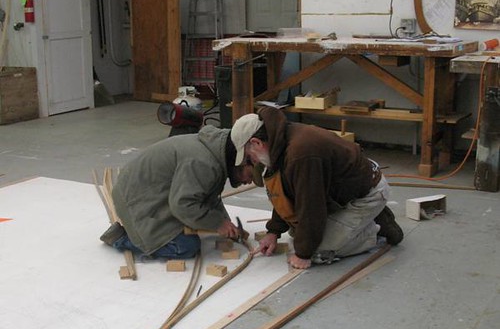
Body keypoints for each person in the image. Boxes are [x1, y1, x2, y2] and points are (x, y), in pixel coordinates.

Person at [231, 107, 403, 269]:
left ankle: (377, 230)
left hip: (367, 193)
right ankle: (361, 221)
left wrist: (303, 254)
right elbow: (287, 193)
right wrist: (273, 232)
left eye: (249, 155)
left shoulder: (301, 154)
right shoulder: (279, 141)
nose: (253, 161)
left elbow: (312, 207)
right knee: (297, 233)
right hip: (342, 191)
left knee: (319, 250)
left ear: (257, 143)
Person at [99, 124, 254, 260]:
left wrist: (225, 224)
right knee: (186, 246)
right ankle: (121, 239)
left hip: (152, 192)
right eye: (252, 175)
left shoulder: (216, 152)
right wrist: (218, 223)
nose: (250, 182)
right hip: (136, 200)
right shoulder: (203, 163)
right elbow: (183, 205)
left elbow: (207, 196)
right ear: (241, 160)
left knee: (193, 224)